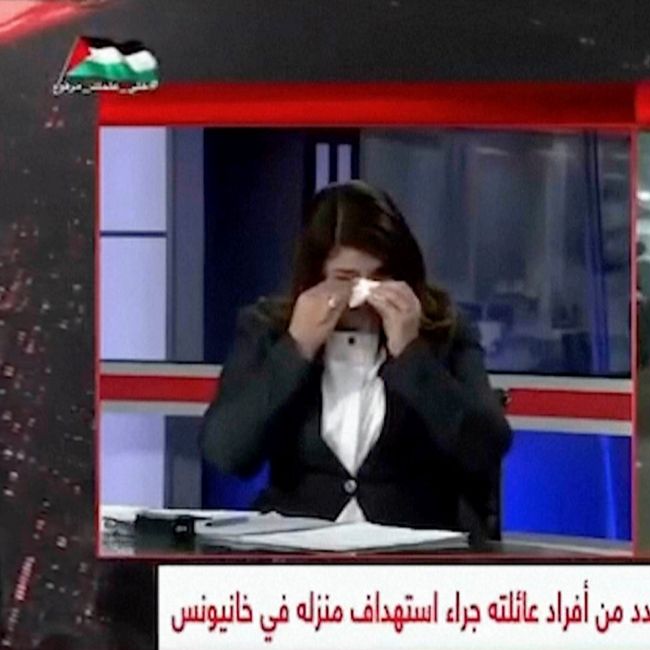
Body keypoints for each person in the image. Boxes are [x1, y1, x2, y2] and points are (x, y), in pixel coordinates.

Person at [201, 181, 513, 533]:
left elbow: (485, 448)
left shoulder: (445, 331)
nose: (364, 295)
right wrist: (296, 348)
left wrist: (411, 355)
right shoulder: (267, 329)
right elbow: (227, 453)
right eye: (345, 278)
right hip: (297, 547)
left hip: (411, 551)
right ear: (314, 276)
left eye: (380, 279)